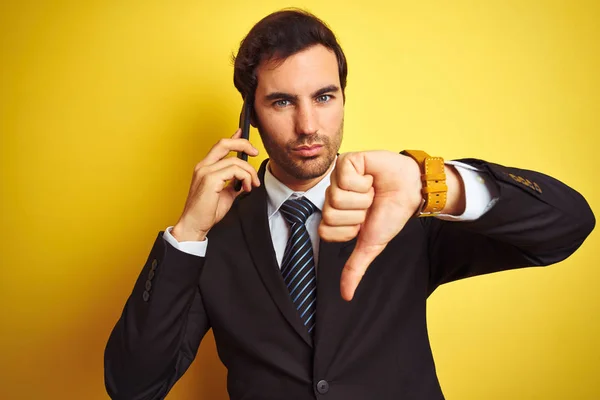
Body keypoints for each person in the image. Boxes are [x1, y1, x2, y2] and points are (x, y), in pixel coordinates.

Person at [104, 9, 595, 400]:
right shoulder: (216, 237)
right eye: (281, 102)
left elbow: (568, 226)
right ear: (248, 114)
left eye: (323, 96)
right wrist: (187, 235)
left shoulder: (402, 201)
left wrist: (433, 183)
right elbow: (133, 386)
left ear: (343, 97)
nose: (308, 126)